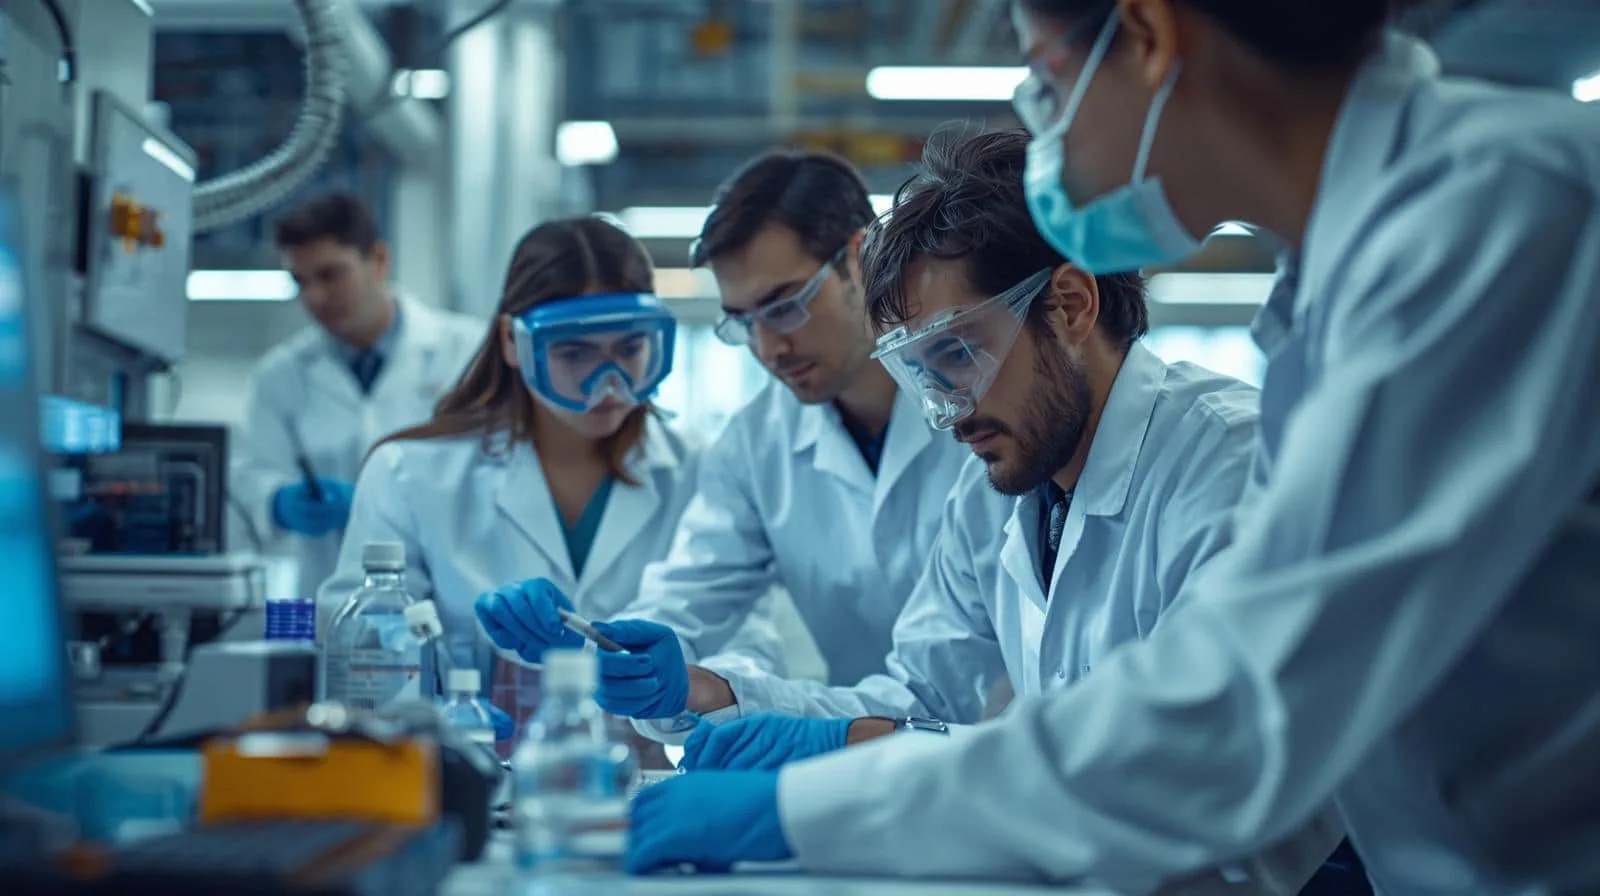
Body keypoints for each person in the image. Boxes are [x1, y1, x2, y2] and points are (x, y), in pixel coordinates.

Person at [624, 0, 1600, 892]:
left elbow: (1230, 715)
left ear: (1148, 36)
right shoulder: (1338, 284)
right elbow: (939, 695)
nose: (1046, 140)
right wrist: (796, 730)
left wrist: (801, 806)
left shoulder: (1491, 212)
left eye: (1044, 86)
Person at [632, 129, 1360, 893]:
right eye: (917, 373)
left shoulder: (1230, 466)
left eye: (956, 353)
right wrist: (779, 717)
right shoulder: (996, 492)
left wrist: (808, 803)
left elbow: (1181, 771)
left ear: (1071, 304)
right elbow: (926, 696)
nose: (946, 411)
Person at [475, 150, 973, 736]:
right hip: (865, 760)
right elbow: (686, 598)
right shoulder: (758, 441)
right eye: (744, 321)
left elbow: (946, 680)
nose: (768, 349)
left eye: (785, 307)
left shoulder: (978, 406)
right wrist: (605, 645)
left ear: (860, 258)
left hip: (1018, 760)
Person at [316, 217, 782, 746]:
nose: (608, 384)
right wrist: (444, 720)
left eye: (630, 350)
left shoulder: (702, 468)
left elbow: (751, 651)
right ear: (514, 344)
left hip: (656, 780)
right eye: (574, 354)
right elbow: (362, 657)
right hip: (462, 786)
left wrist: (688, 692)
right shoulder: (408, 472)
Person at [232, 192, 483, 602]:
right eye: (300, 281)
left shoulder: (467, 351)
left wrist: (389, 502)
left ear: (379, 260)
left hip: (447, 599)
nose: (314, 298)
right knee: (304, 661)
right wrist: (279, 501)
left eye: (331, 275)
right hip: (321, 598)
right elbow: (251, 477)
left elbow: (494, 476)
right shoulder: (280, 375)